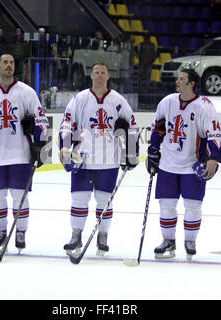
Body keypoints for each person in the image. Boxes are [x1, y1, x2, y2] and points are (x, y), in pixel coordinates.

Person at [58, 62, 139, 256]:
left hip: (109, 160)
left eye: (103, 72)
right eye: (97, 72)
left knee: (104, 201)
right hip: (82, 158)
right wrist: (64, 146)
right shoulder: (80, 99)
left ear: (108, 76)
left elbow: (133, 126)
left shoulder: (118, 100)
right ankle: (75, 235)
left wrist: (131, 153)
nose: (100, 75)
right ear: (91, 76)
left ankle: (102, 237)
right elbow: (67, 123)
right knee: (79, 199)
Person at [0, 53, 49, 254]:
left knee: (19, 196)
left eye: (12, 62)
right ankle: (0, 233)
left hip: (20, 154)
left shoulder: (26, 91)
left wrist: (40, 146)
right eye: (5, 62)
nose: (9, 65)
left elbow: (41, 119)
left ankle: (20, 232)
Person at [146, 69, 221, 260]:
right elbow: (157, 127)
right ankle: (168, 241)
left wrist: (214, 157)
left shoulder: (204, 106)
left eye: (182, 78)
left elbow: (215, 132)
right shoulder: (167, 102)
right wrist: (153, 150)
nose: (177, 81)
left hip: (193, 165)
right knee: (166, 205)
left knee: (193, 206)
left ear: (192, 83)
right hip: (167, 165)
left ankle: (190, 241)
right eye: (178, 78)